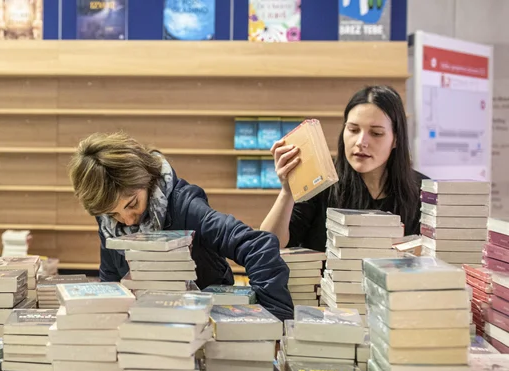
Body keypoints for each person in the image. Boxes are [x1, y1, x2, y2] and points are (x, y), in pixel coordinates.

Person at [67, 132, 294, 321]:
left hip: (206, 327)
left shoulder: (186, 206)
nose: (127, 220)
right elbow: (111, 279)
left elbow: (258, 246)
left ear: (147, 179)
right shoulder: (109, 222)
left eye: (132, 204)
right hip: (148, 332)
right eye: (113, 213)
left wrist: (273, 322)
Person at [260, 85, 425, 252]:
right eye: (353, 129)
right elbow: (268, 245)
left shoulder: (423, 191)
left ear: (396, 139)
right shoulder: (320, 180)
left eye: (376, 133)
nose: (361, 142)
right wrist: (288, 192)